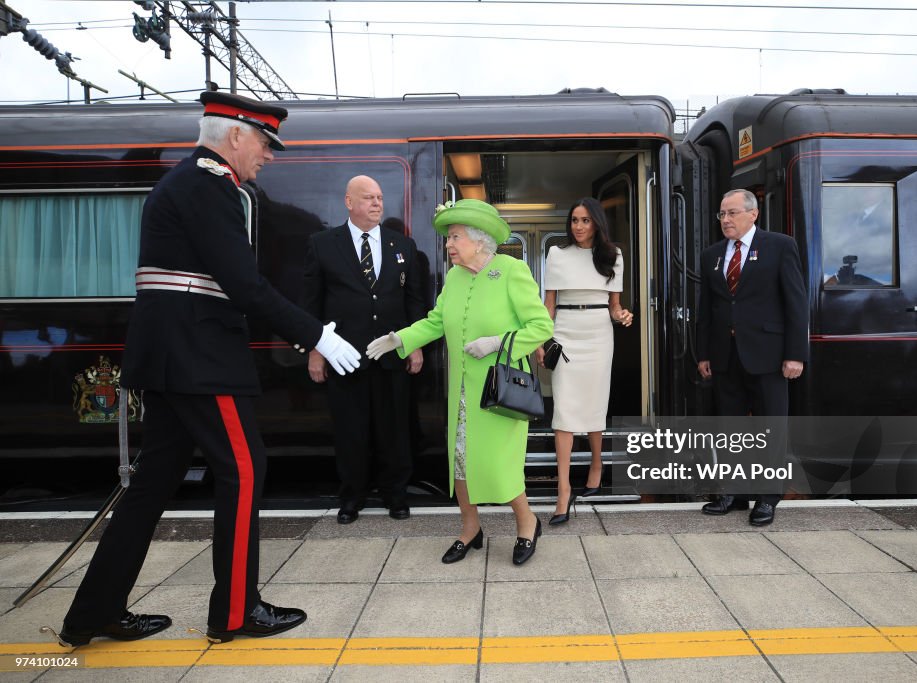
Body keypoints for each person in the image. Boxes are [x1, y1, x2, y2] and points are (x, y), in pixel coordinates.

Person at [58, 92, 362, 647]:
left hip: (173, 357)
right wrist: (316, 333)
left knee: (150, 486)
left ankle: (92, 613)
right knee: (244, 471)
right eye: (265, 143)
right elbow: (245, 287)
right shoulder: (210, 186)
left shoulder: (184, 182)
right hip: (200, 359)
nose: (269, 155)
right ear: (236, 135)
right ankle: (236, 611)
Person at [367, 199, 553, 565]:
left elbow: (541, 326)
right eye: (449, 237)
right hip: (464, 392)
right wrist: (400, 339)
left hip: (501, 392)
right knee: (461, 461)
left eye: (455, 237)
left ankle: (527, 522)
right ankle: (470, 528)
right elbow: (437, 320)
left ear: (479, 241)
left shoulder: (510, 270)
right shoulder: (454, 276)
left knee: (500, 464)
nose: (448, 245)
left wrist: (496, 342)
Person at [303, 176, 426, 524]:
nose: (377, 204)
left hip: (392, 355)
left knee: (394, 430)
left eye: (380, 198)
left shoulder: (401, 244)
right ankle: (352, 497)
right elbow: (312, 303)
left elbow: (414, 301)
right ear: (348, 202)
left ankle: (395, 495)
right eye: (369, 198)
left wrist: (414, 344)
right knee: (350, 431)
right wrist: (315, 349)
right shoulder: (323, 244)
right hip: (345, 356)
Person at [696, 189, 808, 526]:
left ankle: (768, 497)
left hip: (769, 355)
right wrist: (703, 353)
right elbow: (707, 309)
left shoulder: (780, 246)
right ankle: (733, 492)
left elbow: (796, 303)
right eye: (721, 214)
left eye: (731, 213)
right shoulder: (712, 255)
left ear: (753, 214)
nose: (725, 220)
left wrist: (795, 355)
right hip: (725, 356)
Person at [536, 198, 632, 525]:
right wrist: (540, 340)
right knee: (564, 410)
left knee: (593, 405)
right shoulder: (557, 254)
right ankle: (563, 490)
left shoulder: (613, 256)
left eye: (585, 221)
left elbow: (613, 307)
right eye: (574, 220)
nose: (578, 226)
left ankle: (596, 464)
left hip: (598, 335)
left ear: (597, 223)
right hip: (565, 332)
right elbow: (548, 306)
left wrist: (623, 315)